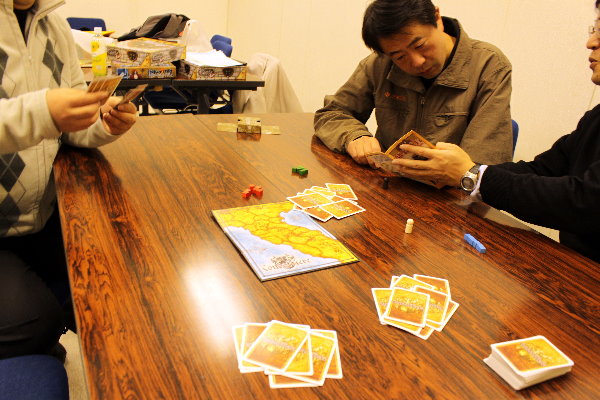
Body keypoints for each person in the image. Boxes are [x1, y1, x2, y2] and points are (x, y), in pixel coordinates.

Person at [391, 1, 600, 264]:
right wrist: (468, 173)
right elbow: (543, 169)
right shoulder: (596, 117)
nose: (590, 42)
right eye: (594, 29)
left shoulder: (490, 63)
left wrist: (471, 175)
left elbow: (584, 201)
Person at [0, 0, 138, 361]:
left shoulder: (55, 27)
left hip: (41, 214)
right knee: (38, 320)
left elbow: (71, 124)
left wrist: (103, 124)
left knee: (121, 282)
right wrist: (42, 111)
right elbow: (45, 115)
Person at [314, 0, 513, 168]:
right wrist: (354, 137)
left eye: (420, 45)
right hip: (389, 182)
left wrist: (458, 171)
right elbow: (332, 113)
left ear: (437, 18)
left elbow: (485, 163)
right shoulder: (379, 64)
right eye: (399, 56)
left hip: (451, 193)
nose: (417, 62)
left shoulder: (488, 65)